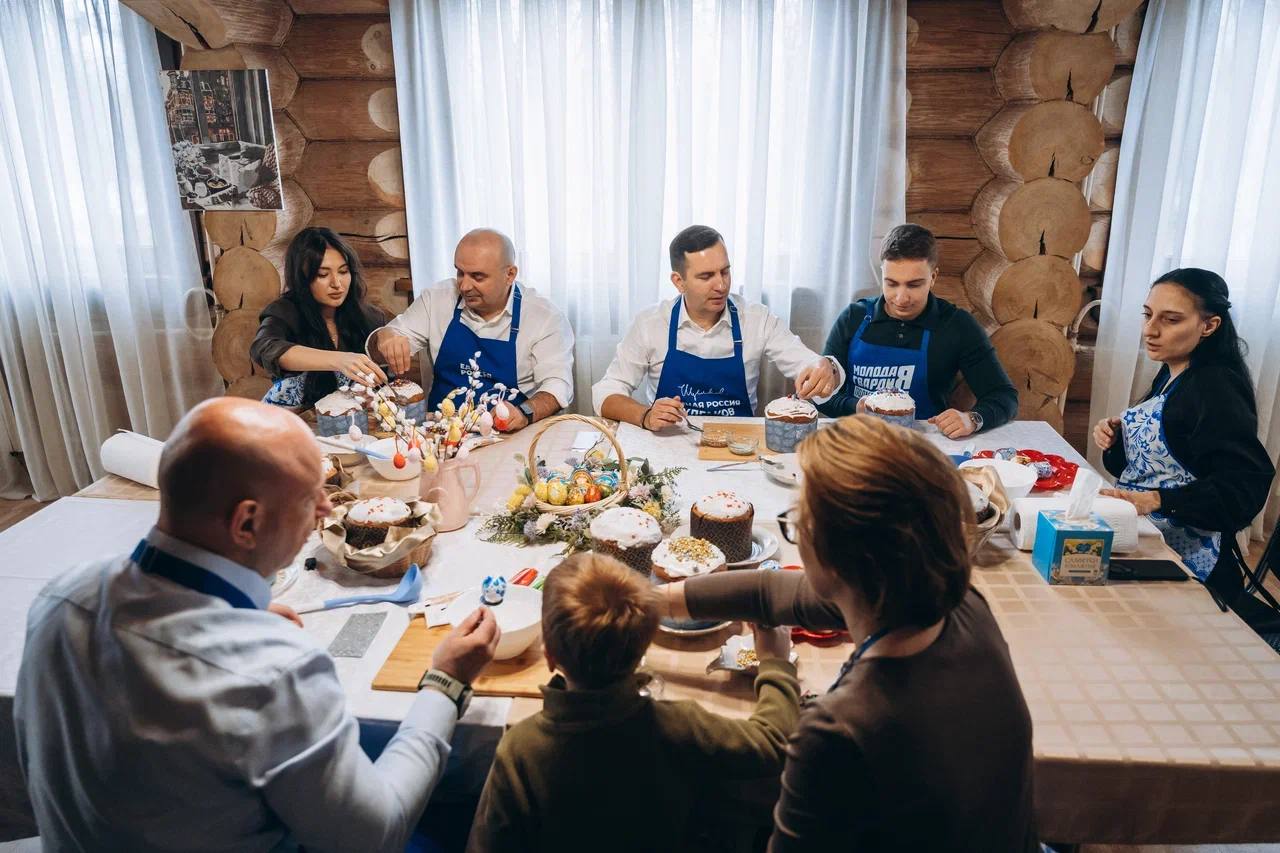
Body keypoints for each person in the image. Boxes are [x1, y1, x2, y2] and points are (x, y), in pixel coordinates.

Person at [15, 398, 500, 852]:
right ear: (246, 523)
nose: (326, 509)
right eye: (309, 498)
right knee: (474, 796)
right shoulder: (272, 671)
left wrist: (234, 618)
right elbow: (376, 835)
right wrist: (446, 680)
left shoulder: (62, 598)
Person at [659, 416, 1038, 851]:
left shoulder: (837, 731)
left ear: (836, 561)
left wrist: (776, 666)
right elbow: (772, 592)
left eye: (799, 519)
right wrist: (652, 600)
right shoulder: (962, 605)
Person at [466, 552, 801, 852]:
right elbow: (773, 743)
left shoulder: (520, 750)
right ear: (644, 646)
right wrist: (775, 662)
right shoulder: (679, 725)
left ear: (550, 655)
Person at [1094, 268, 1275, 602]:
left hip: (1190, 567)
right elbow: (1146, 469)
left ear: (1209, 325)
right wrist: (1118, 440)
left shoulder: (1215, 388)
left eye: (1171, 319)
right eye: (1147, 315)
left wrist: (1158, 501)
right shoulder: (1173, 374)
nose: (1150, 330)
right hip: (1149, 538)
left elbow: (1243, 488)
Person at [593, 225, 842, 431]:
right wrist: (646, 415)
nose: (721, 285)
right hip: (669, 446)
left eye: (725, 272)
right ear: (679, 281)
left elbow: (809, 364)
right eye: (706, 276)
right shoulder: (650, 323)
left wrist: (825, 369)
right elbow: (606, 392)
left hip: (738, 447)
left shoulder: (757, 319)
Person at [818, 224, 1018, 438]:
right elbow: (821, 396)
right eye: (891, 284)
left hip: (925, 444)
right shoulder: (853, 317)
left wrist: (973, 419)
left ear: (933, 277)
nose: (901, 298)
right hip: (858, 438)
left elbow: (1004, 396)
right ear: (882, 275)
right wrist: (856, 407)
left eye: (913, 285)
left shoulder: (957, 325)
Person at [367, 229, 574, 432]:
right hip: (442, 433)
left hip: (509, 434)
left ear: (510, 274)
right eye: (460, 273)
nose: (465, 286)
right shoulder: (437, 299)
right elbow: (380, 351)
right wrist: (383, 337)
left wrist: (523, 413)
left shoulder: (544, 316)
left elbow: (557, 386)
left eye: (478, 276)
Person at [252, 226, 391, 409]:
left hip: (355, 421)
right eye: (322, 274)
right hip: (294, 420)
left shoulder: (370, 317)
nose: (337, 283)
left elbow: (383, 384)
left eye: (343, 271)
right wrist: (340, 360)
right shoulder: (284, 311)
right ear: (302, 278)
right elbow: (265, 347)